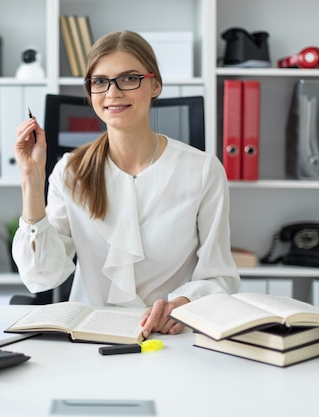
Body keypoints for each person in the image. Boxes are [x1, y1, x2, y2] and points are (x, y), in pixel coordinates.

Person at [12, 30, 240, 336]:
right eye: (100, 81)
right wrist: (31, 179)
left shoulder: (202, 170)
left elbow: (220, 275)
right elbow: (42, 276)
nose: (112, 92)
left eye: (129, 78)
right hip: (90, 338)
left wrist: (183, 303)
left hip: (172, 338)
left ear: (155, 84)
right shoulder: (70, 171)